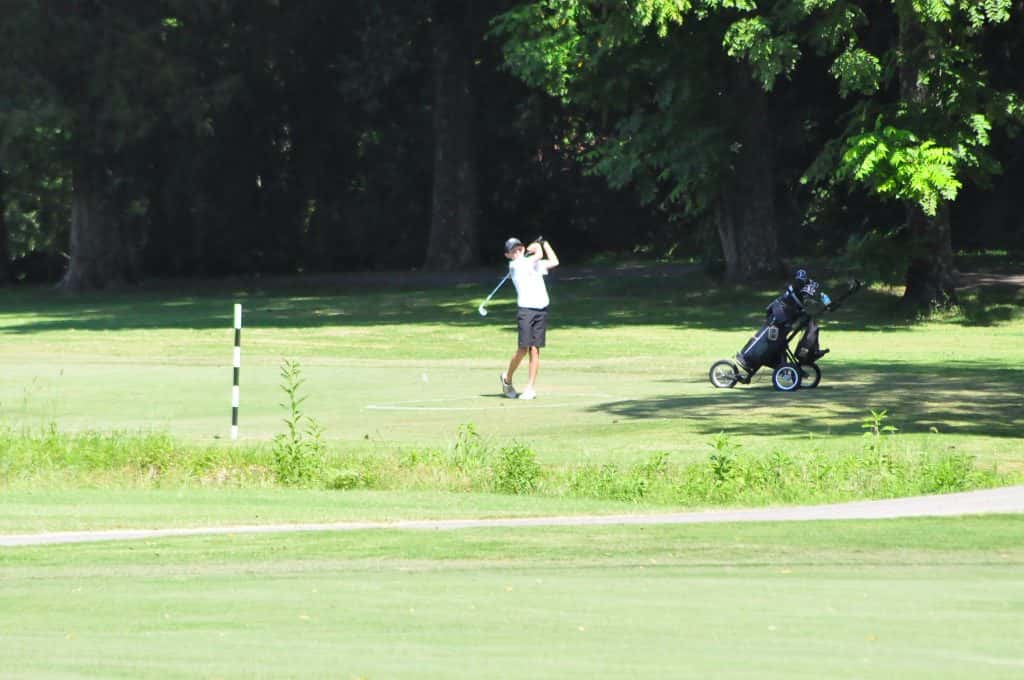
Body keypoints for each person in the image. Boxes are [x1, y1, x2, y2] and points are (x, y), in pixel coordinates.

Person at [499, 236, 559, 400]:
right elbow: (538, 255)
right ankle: (507, 378)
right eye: (513, 251)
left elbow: (554, 261)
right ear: (508, 255)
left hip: (541, 310)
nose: (517, 252)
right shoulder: (515, 265)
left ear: (523, 248)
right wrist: (537, 247)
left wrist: (545, 244)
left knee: (535, 349)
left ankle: (530, 388)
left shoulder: (533, 264)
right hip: (526, 311)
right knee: (523, 349)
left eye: (519, 248)